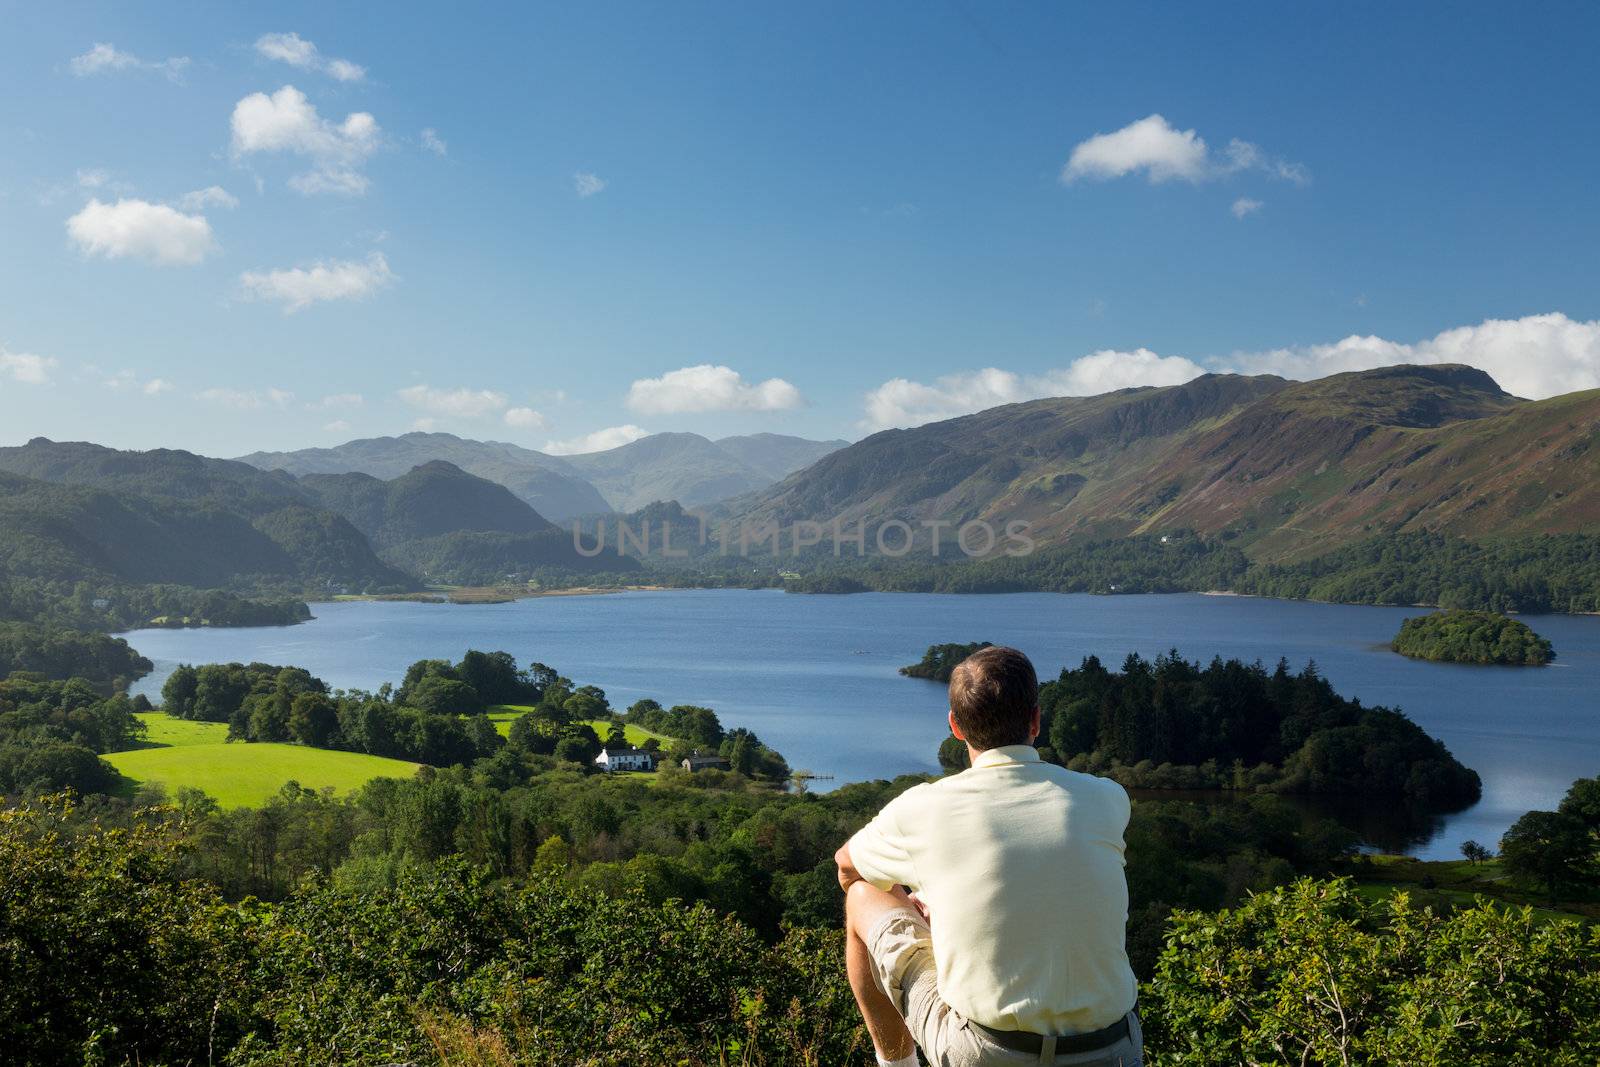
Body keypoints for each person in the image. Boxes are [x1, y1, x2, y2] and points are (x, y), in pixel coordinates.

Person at [835, 646, 1140, 1066]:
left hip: (988, 1053)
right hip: (1114, 1050)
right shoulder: (1107, 798)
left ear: (955, 727)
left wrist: (931, 902)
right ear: (1036, 719)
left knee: (862, 894)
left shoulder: (926, 808)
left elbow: (847, 865)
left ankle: (896, 1063)